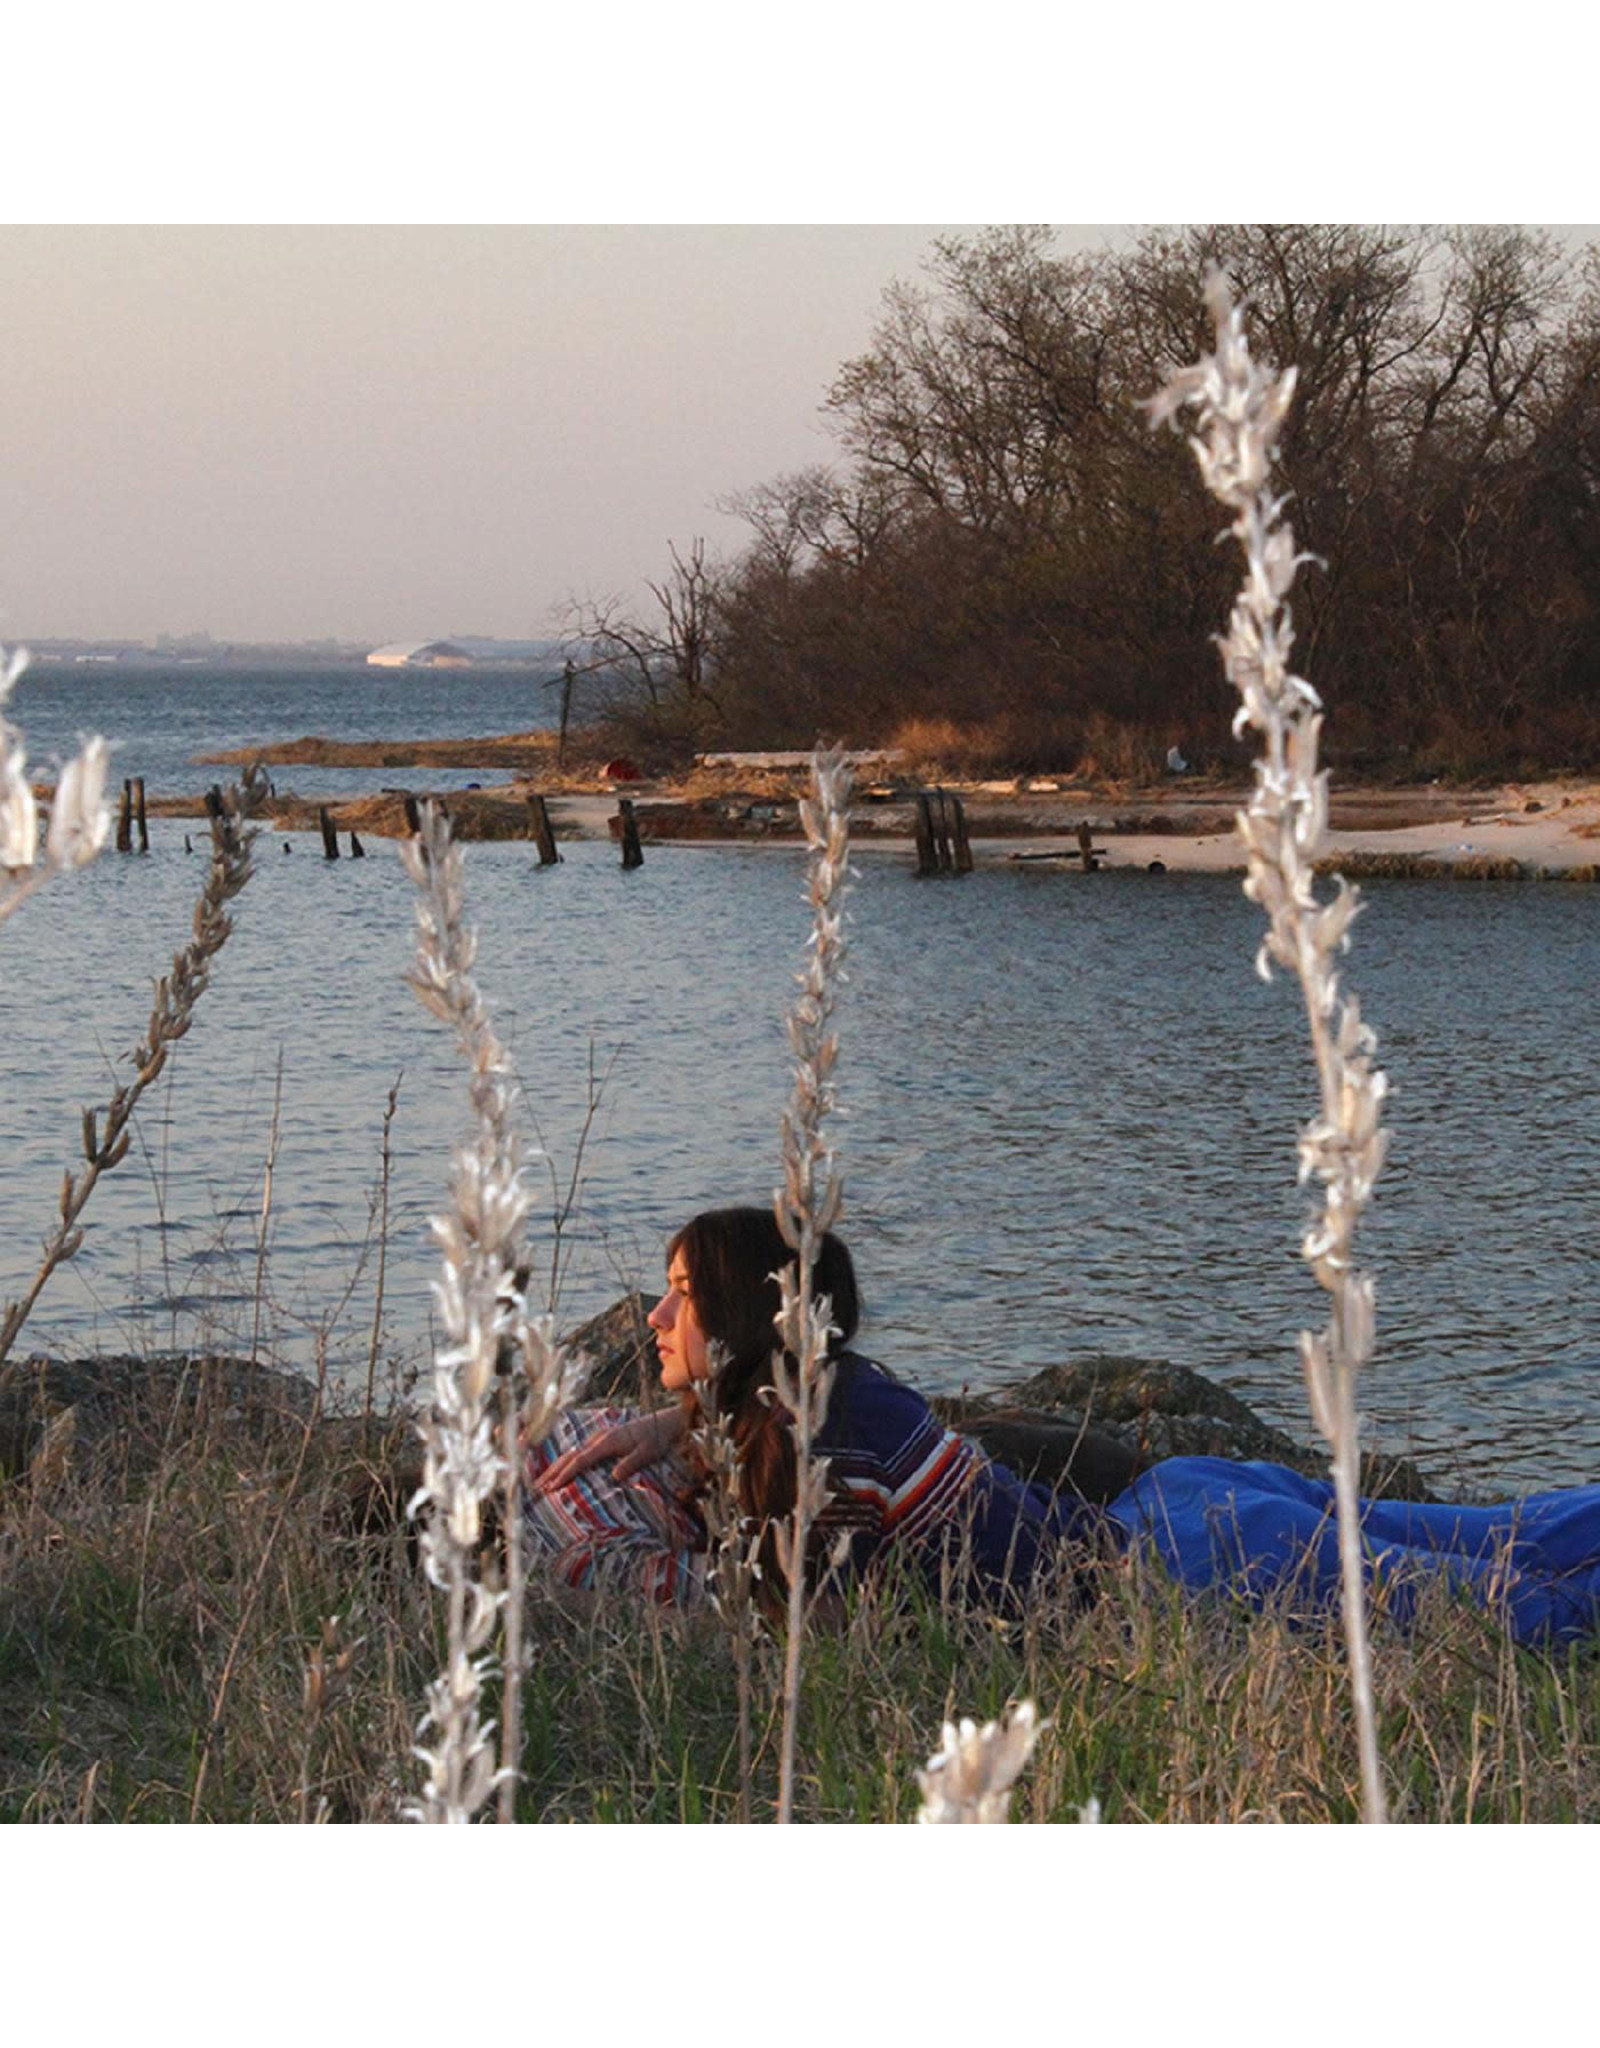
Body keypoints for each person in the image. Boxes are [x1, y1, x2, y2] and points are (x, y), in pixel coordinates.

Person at [526, 1206, 1600, 1644]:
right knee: (1503, 1534)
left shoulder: (846, 1421)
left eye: (679, 1291)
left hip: (1190, 1561)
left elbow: (737, 1593)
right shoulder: (814, 1411)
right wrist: (675, 1430)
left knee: (1524, 1606)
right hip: (1177, 1507)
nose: (656, 1317)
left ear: (750, 1315)